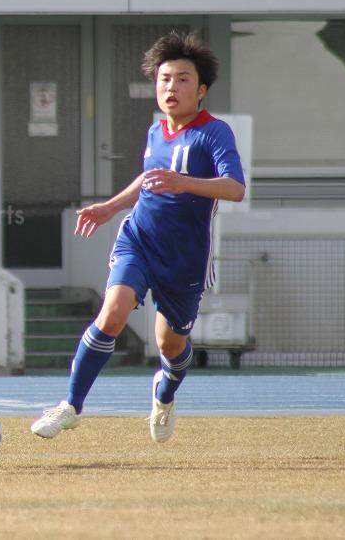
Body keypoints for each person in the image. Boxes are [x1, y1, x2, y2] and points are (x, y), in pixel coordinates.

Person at [31, 31, 245, 444]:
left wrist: (185, 183)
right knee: (112, 313)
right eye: (165, 79)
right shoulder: (155, 132)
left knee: (169, 343)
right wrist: (110, 207)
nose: (171, 87)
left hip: (184, 258)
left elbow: (235, 188)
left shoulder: (214, 133)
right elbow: (148, 182)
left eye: (182, 79)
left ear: (200, 89)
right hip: (140, 240)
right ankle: (71, 407)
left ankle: (164, 393)